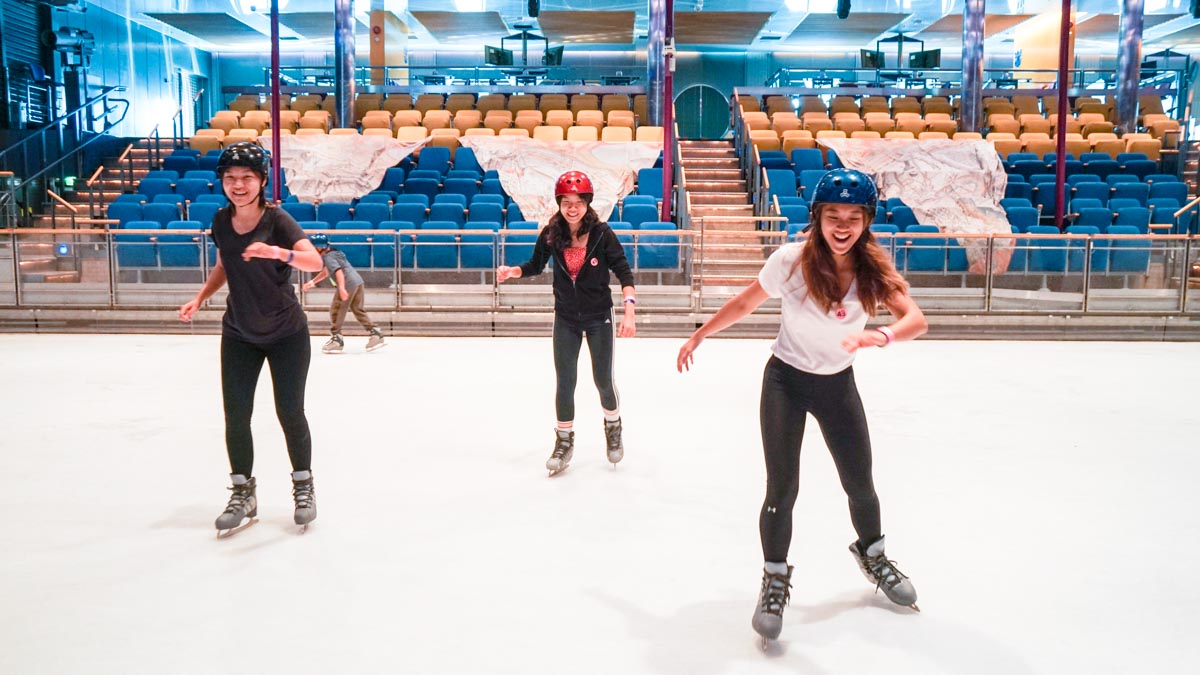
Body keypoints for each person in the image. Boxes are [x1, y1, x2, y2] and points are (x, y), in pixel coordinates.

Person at [675, 168, 928, 643]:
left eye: (854, 216)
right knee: (782, 488)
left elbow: (915, 318)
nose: (843, 225)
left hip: (837, 385)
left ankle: (873, 555)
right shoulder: (791, 260)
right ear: (817, 217)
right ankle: (774, 577)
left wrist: (882, 335)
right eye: (833, 214)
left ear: (867, 220)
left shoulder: (872, 269)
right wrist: (700, 333)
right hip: (786, 382)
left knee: (860, 483)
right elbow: (746, 302)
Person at [178, 141, 325, 535]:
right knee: (236, 415)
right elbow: (224, 264)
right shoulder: (221, 221)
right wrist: (199, 297)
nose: (238, 185)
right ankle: (244, 492)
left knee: (289, 412)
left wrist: (279, 253)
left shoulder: (278, 221)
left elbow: (315, 260)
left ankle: (303, 486)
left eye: (246, 178)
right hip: (239, 333)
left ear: (261, 181)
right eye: (230, 179)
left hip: (286, 334)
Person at [496, 171, 637, 476]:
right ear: (559, 203)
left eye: (578, 202)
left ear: (587, 203)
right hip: (566, 318)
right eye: (566, 202)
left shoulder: (602, 233)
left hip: (600, 317)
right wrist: (512, 272)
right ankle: (564, 442)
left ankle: (613, 427)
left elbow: (624, 271)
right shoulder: (551, 233)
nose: (572, 208)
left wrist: (629, 311)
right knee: (565, 382)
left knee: (603, 380)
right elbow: (534, 265)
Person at [301, 233, 386, 354]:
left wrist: (341, 288)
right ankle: (375, 333)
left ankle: (337, 339)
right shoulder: (335, 253)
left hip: (348, 284)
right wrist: (312, 282)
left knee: (336, 310)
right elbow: (327, 272)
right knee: (358, 309)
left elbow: (338, 271)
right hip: (357, 281)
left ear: (319, 248)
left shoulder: (328, 257)